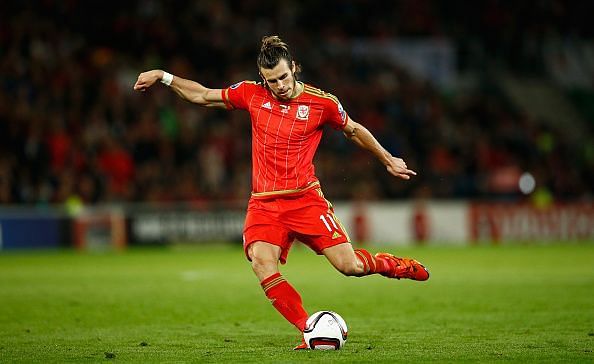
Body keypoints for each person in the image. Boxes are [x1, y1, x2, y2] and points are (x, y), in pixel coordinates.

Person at [134, 35, 429, 349]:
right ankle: (308, 328)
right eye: (272, 80)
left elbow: (353, 129)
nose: (280, 85)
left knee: (349, 266)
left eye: (284, 77)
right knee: (262, 262)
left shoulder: (322, 103)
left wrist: (387, 159)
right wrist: (164, 77)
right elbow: (204, 96)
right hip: (264, 204)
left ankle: (394, 266)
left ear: (295, 68)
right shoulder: (251, 94)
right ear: (264, 79)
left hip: (305, 199)